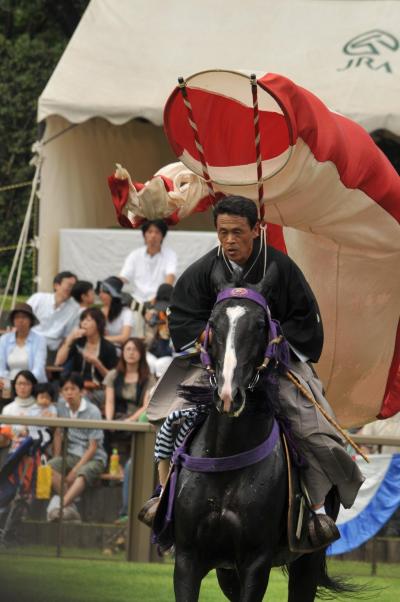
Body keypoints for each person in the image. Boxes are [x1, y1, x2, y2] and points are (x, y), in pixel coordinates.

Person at [143, 196, 364, 546]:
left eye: (237, 232)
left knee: (314, 429)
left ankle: (318, 511)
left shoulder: (283, 268)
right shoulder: (203, 270)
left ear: (256, 230)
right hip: (216, 364)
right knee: (170, 414)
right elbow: (181, 315)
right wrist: (208, 335)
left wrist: (274, 339)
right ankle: (164, 495)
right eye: (222, 232)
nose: (229, 240)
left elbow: (305, 319)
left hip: (277, 365)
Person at [47, 373, 107, 522]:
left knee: (82, 474)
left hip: (95, 456)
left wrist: (75, 470)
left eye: (72, 388)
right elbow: (58, 434)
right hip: (71, 454)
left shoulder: (93, 411)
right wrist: (56, 458)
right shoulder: (61, 406)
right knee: (48, 468)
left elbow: (93, 447)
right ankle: (71, 506)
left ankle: (60, 509)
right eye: (65, 389)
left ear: (81, 391)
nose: (69, 392)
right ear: (61, 392)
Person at [119, 220, 177, 336]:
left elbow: (170, 278)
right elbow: (123, 277)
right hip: (137, 299)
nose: (153, 235)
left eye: (157, 232)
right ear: (144, 235)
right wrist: (112, 285)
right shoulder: (135, 255)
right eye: (150, 232)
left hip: (158, 301)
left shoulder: (170, 254)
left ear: (162, 236)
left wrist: (157, 297)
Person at [55, 307, 118, 405]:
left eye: (88, 320)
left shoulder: (108, 347)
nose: (83, 323)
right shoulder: (78, 343)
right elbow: (58, 361)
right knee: (62, 400)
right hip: (76, 388)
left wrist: (97, 363)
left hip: (98, 390)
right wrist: (70, 340)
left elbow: (112, 379)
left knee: (81, 401)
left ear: (98, 324)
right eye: (82, 320)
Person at [27, 271, 79, 362]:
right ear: (56, 286)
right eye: (69, 285)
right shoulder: (38, 298)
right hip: (28, 342)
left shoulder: (75, 309)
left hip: (52, 349)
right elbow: (21, 315)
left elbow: (67, 336)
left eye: (74, 286)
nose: (72, 289)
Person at [0, 303, 47, 394]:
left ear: (31, 320)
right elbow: (0, 366)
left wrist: (24, 383)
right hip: (9, 383)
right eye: (17, 317)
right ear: (13, 321)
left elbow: (39, 368)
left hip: (33, 383)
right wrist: (8, 381)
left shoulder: (40, 340)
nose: (20, 320)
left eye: (24, 317)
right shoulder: (4, 339)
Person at [104, 338, 154, 422]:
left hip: (137, 421)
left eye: (135, 349)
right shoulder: (113, 375)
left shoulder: (148, 378)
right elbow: (109, 402)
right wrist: (109, 421)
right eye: (128, 349)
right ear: (122, 352)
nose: (131, 353)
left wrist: (130, 420)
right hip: (116, 418)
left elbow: (146, 406)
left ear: (141, 353)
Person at [1, 370, 37, 449]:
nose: (22, 387)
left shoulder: (38, 407)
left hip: (34, 450)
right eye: (19, 383)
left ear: (33, 386)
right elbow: (4, 434)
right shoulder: (7, 409)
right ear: (14, 386)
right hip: (11, 451)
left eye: (27, 384)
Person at [144, 283, 174, 378]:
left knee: (160, 364)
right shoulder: (152, 314)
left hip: (166, 354)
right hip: (154, 351)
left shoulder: (153, 312)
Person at [96, 276, 135, 347]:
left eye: (104, 292)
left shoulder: (126, 313)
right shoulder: (100, 311)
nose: (100, 295)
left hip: (121, 348)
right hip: (104, 346)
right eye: (100, 292)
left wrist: (102, 339)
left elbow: (124, 337)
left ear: (113, 296)